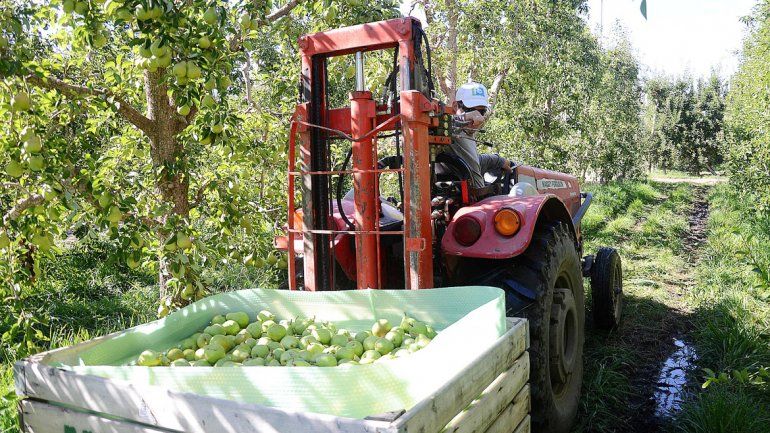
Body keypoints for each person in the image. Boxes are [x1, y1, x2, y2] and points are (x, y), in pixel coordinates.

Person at [448, 82, 511, 189]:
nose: (478, 118)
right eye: (470, 110)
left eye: (481, 112)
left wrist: (498, 161)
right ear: (455, 106)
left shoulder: (466, 134)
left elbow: (473, 163)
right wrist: (464, 117)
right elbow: (438, 122)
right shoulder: (449, 131)